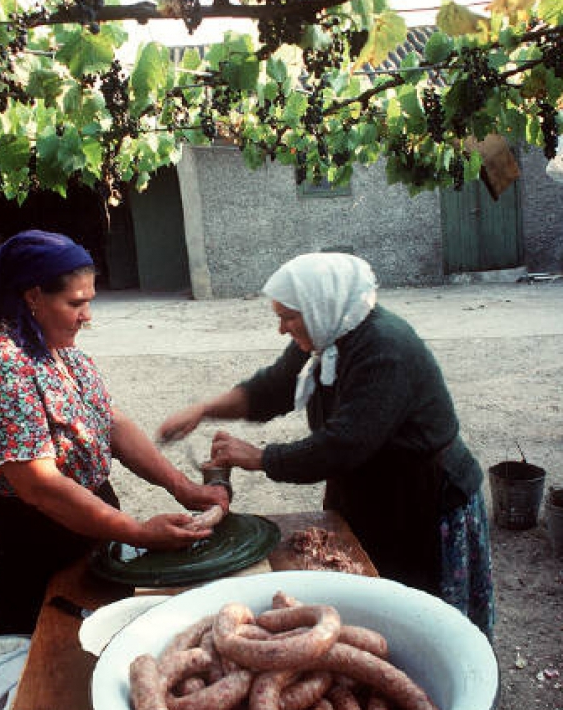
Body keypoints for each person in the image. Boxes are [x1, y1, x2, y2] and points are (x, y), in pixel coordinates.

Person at [158, 251, 495, 641]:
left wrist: (259, 457)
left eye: (288, 317)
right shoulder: (328, 334)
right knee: (370, 600)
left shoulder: (385, 349)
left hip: (423, 496)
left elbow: (342, 446)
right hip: (371, 491)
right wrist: (204, 410)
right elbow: (272, 388)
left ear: (320, 305)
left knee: (418, 613)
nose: (282, 329)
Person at [0, 229, 230, 639]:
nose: (87, 315)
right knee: (39, 663)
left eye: (89, 301)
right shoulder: (1, 368)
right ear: (33, 297)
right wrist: (136, 531)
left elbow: (111, 424)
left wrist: (181, 485)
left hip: (76, 530)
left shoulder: (64, 354)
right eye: (75, 303)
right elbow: (40, 487)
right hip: (21, 543)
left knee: (91, 647)